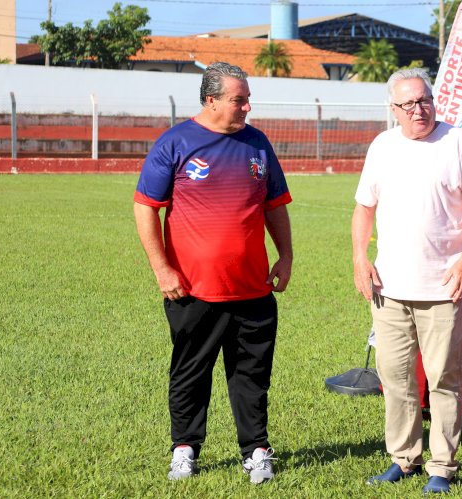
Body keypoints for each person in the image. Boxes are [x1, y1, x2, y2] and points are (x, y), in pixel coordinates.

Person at [133, 62, 292, 484]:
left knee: (252, 377)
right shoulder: (176, 142)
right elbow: (146, 206)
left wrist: (286, 255)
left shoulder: (257, 143)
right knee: (190, 372)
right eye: (239, 99)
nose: (246, 106)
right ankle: (185, 449)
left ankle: (256, 450)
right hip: (192, 289)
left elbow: (275, 205)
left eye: (246, 98)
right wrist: (161, 268)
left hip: (253, 288)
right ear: (211, 100)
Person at [352, 67, 462, 494]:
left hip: (442, 287)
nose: (420, 109)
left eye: (425, 99)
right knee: (395, 379)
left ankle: (442, 467)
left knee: (444, 380)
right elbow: (364, 208)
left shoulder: (458, 143)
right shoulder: (382, 146)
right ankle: (404, 458)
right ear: (393, 109)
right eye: (409, 103)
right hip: (389, 288)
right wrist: (360, 258)